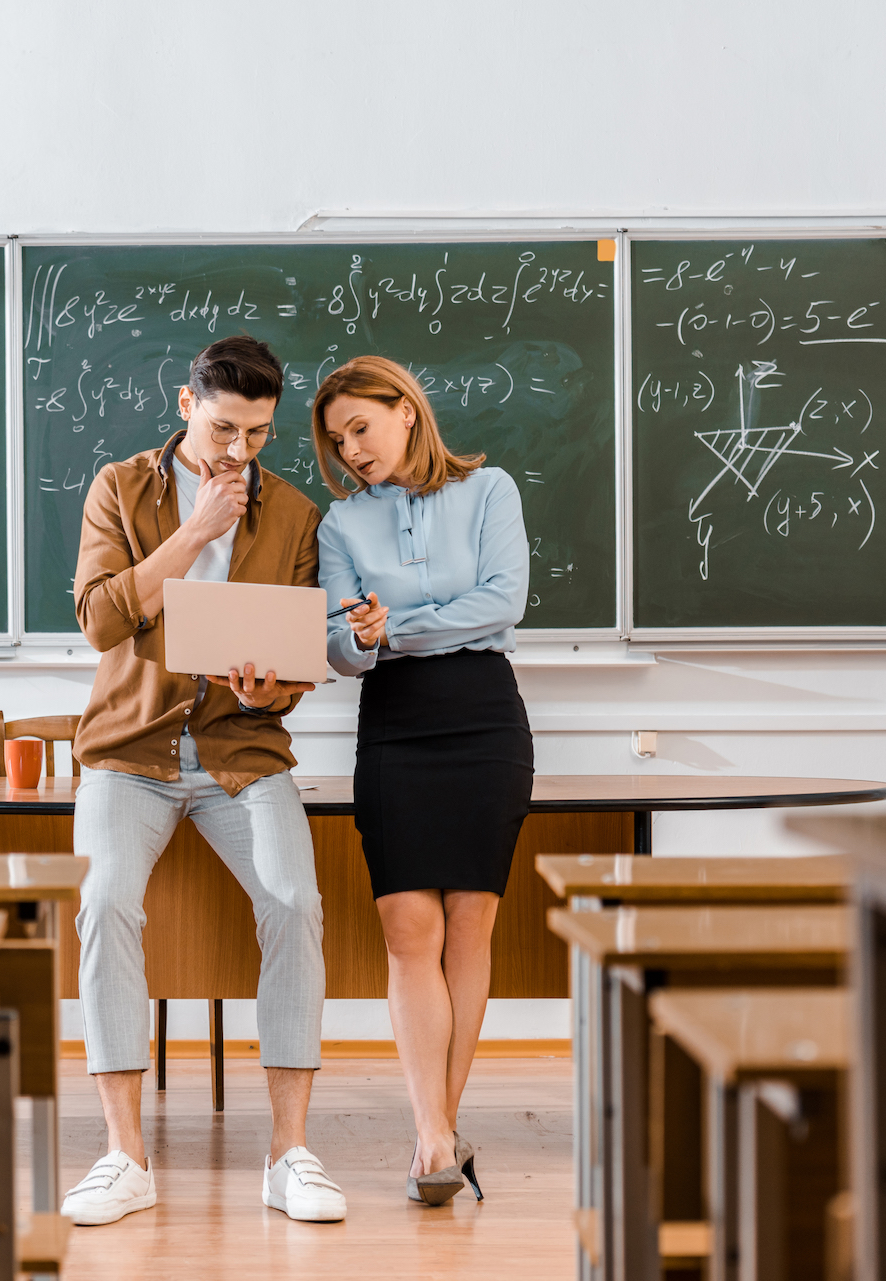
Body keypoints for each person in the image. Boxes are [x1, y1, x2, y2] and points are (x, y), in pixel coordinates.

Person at [59, 335, 349, 1226]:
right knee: (105, 899)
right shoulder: (121, 486)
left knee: (296, 900)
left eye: (258, 435)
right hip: (129, 750)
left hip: (240, 752)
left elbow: (297, 669)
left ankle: (289, 1153)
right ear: (188, 407)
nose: (238, 452)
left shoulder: (296, 515)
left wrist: (272, 688)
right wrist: (194, 532)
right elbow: (100, 619)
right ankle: (123, 1157)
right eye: (225, 428)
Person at [311, 355, 534, 1206]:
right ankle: (436, 1134)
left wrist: (390, 627)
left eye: (361, 427)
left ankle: (435, 1131)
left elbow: (501, 603)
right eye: (337, 441)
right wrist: (365, 639)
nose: (351, 450)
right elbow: (339, 649)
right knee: (409, 927)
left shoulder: (491, 491)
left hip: (483, 716)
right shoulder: (341, 527)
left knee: (470, 924)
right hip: (397, 725)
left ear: (405, 410)